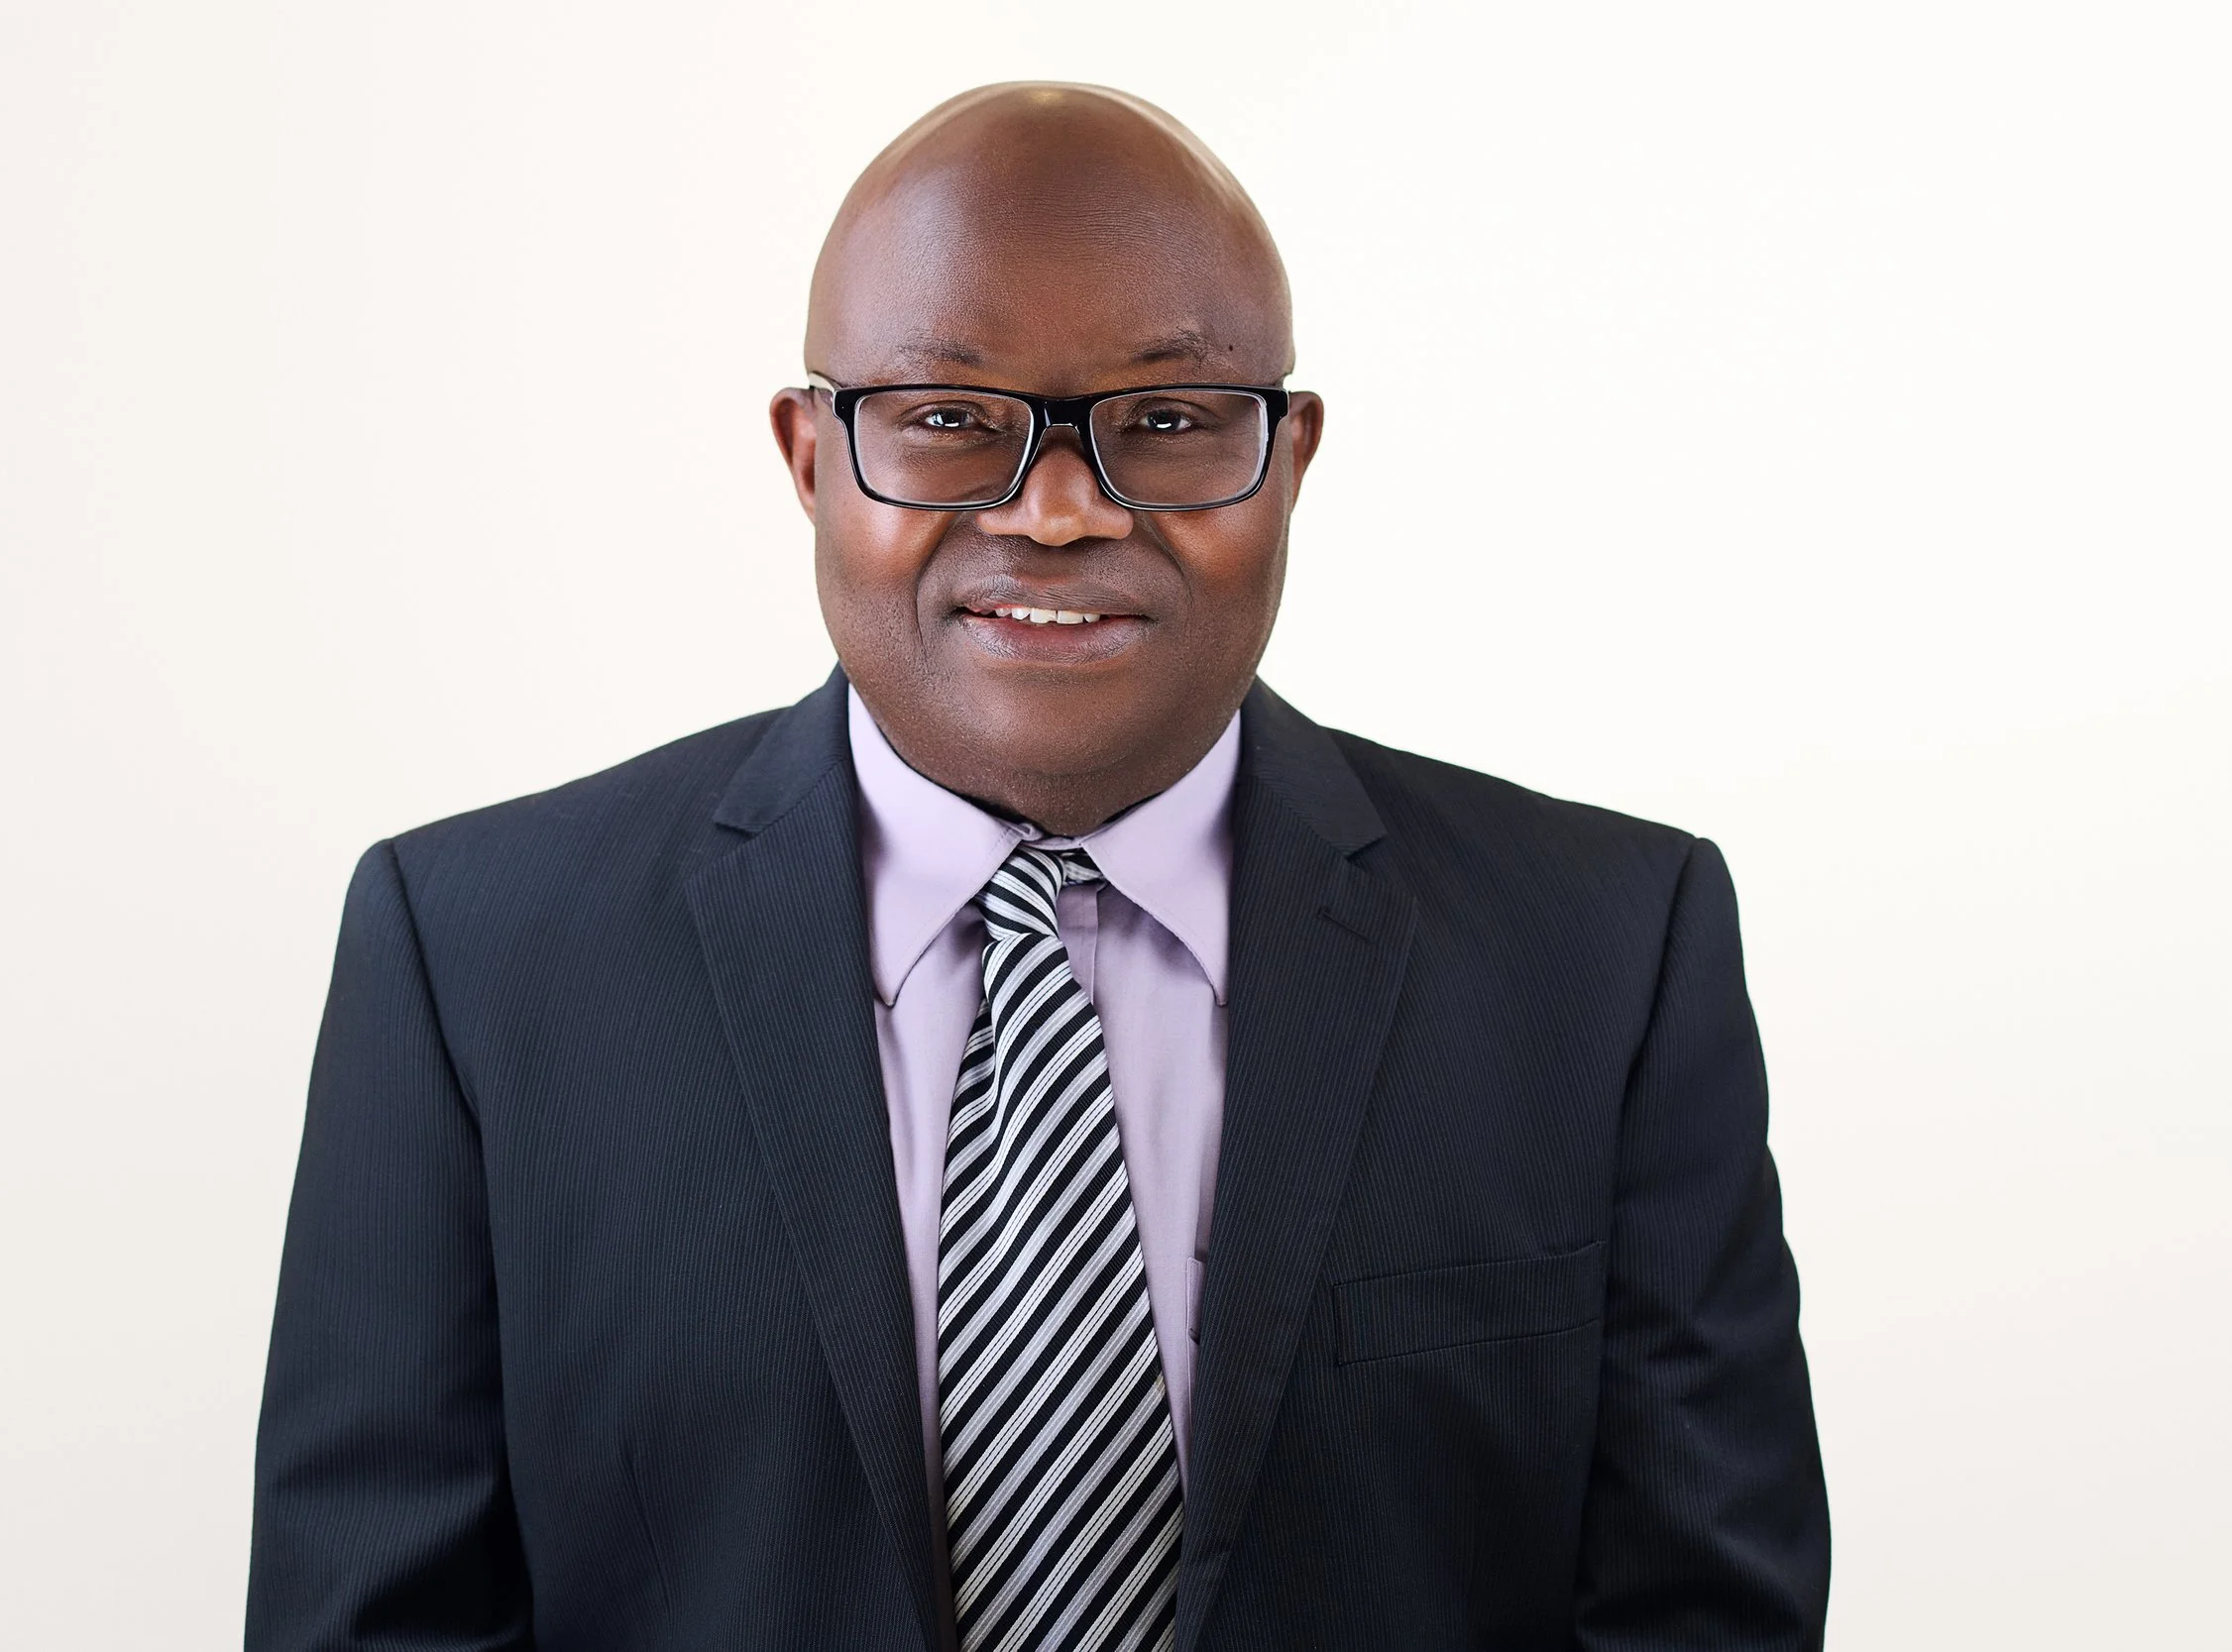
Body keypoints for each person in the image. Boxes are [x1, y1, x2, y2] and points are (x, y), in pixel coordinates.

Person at [246, 82, 1828, 1652]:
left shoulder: (1605, 957)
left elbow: (1705, 1620)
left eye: (1168, 420)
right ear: (809, 456)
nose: (1059, 511)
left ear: (1288, 457)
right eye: (948, 418)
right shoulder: (472, 963)